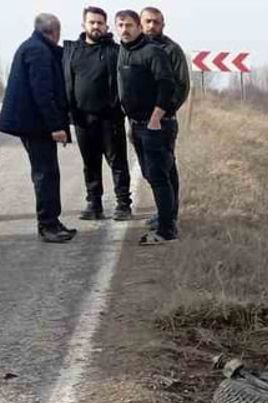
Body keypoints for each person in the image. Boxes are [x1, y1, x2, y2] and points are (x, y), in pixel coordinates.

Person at [0, 14, 77, 244]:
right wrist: (56, 126)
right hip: (35, 125)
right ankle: (48, 225)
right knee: (46, 173)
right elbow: (43, 92)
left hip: (34, 124)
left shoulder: (34, 47)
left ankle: (52, 220)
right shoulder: (38, 51)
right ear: (55, 31)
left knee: (48, 172)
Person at [63, 6, 132, 221]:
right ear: (84, 25)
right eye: (92, 22)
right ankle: (94, 204)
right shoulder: (71, 51)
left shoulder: (115, 51)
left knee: (118, 163)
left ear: (106, 26)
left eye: (100, 23)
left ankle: (123, 205)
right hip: (83, 118)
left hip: (110, 118)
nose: (96, 26)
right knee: (90, 163)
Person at [115, 10, 178, 245]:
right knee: (152, 175)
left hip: (156, 126)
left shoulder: (153, 52)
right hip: (137, 125)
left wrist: (155, 119)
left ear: (139, 27)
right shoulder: (122, 51)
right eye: (120, 25)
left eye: (129, 25)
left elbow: (167, 85)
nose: (125, 29)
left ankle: (166, 231)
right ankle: (165, 223)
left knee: (160, 177)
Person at [138, 6, 188, 231]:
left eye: (156, 22)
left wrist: (164, 112)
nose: (151, 26)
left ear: (163, 25)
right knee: (150, 170)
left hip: (164, 122)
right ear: (140, 23)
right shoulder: (134, 49)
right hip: (139, 122)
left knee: (165, 167)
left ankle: (170, 215)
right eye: (147, 21)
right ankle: (163, 211)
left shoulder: (172, 50)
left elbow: (181, 85)